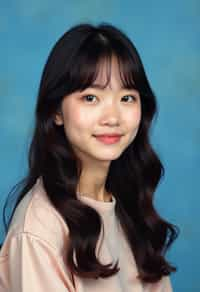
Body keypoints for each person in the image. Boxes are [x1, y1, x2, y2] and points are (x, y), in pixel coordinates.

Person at [0, 22, 179, 291]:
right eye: (91, 98)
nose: (113, 118)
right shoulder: (38, 233)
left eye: (127, 98)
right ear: (56, 112)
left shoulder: (131, 208)